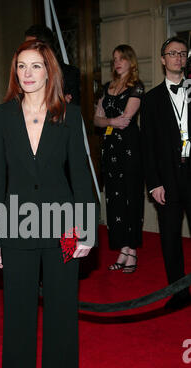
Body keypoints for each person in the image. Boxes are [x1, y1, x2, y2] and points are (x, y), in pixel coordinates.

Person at [0, 40, 96, 368]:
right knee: (17, 321)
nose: (27, 74)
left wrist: (85, 232)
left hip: (63, 227)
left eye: (35, 66)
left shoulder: (69, 115)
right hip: (15, 228)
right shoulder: (0, 117)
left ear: (49, 72)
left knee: (62, 320)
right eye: (21, 67)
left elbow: (81, 178)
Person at [140, 36, 191, 312]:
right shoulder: (151, 100)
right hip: (167, 180)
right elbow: (146, 146)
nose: (178, 58)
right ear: (163, 60)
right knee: (170, 239)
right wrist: (154, 183)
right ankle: (180, 293)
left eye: (182, 53)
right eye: (172, 53)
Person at [94, 44, 144, 273]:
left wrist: (109, 120)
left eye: (121, 58)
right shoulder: (108, 87)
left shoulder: (137, 87)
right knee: (114, 198)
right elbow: (97, 120)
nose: (117, 62)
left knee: (130, 196)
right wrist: (110, 122)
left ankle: (132, 250)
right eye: (114, 59)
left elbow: (126, 119)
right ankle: (123, 247)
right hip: (110, 148)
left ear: (130, 61)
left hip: (130, 148)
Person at [25, 24, 80, 105]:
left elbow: (73, 108)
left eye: (30, 46)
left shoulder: (69, 73)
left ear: (45, 47)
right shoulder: (25, 73)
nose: (26, 50)